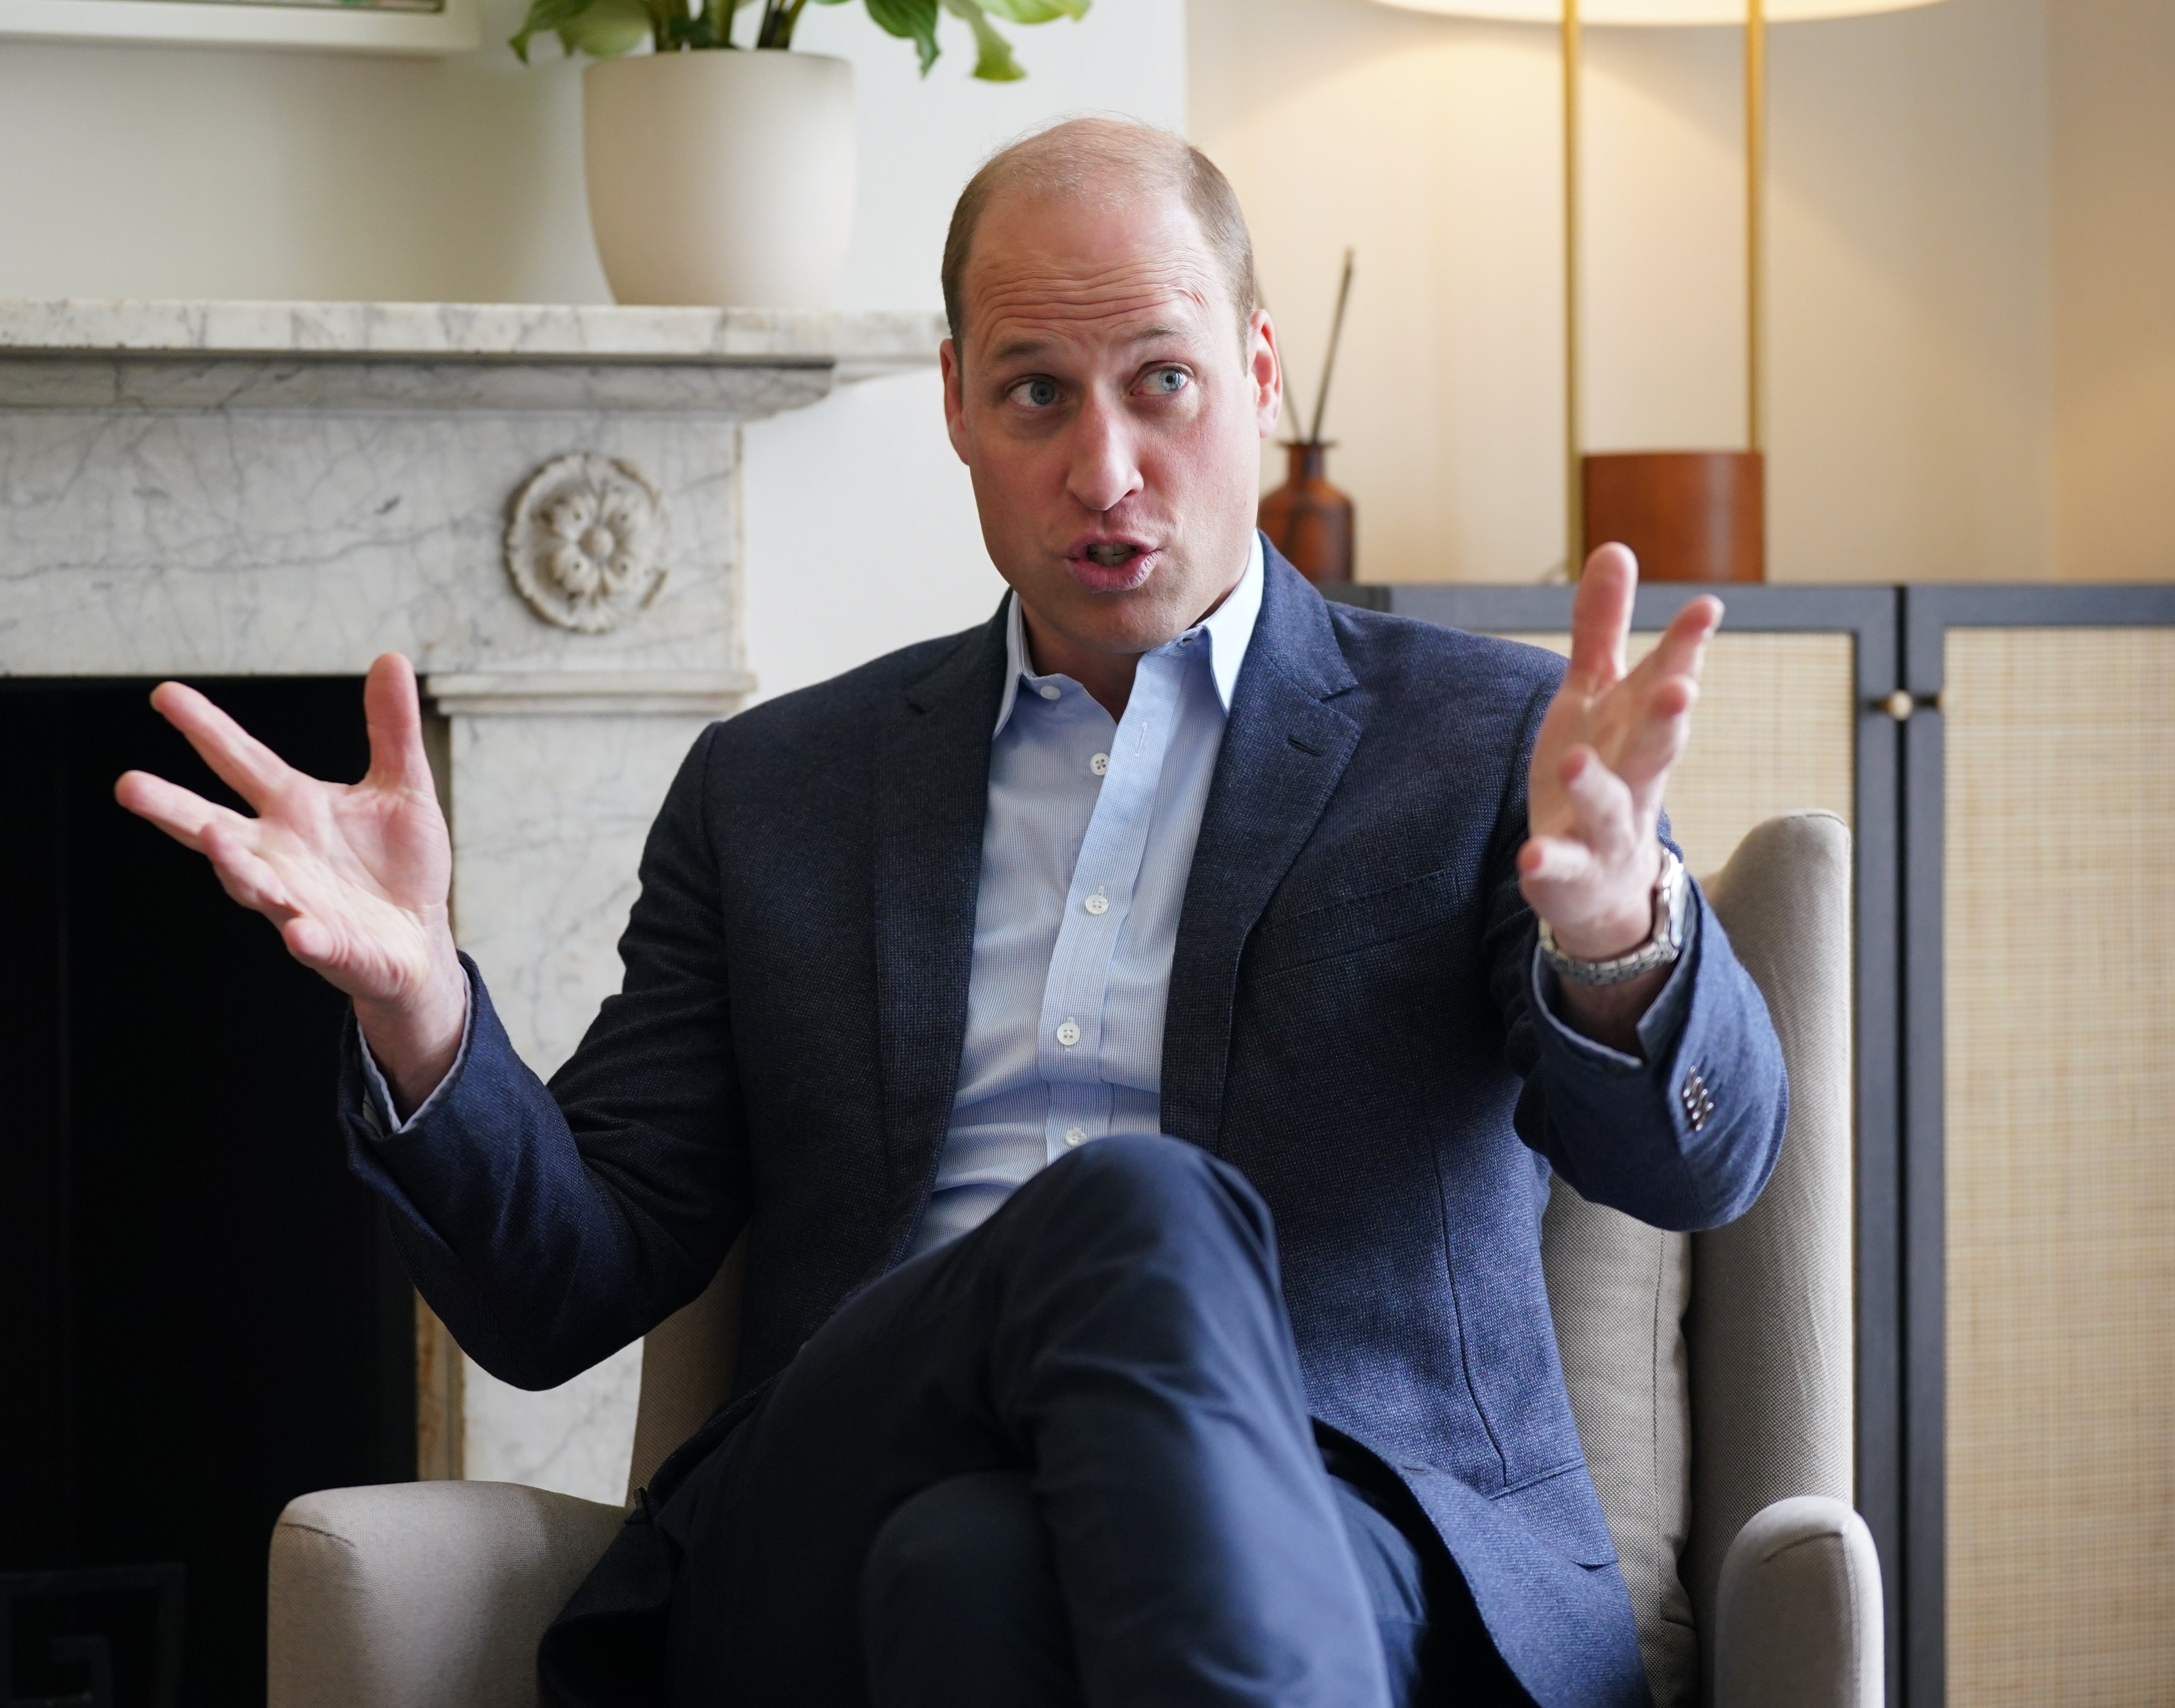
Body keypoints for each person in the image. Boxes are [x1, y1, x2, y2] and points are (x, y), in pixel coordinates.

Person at [117, 118, 1784, 1708]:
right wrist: (422, 1012)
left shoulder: (1483, 742)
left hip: (1350, 1517)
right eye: (1038, 393)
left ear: (1260, 377)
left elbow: (1693, 1163)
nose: (1106, 466)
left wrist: (1616, 930)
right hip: (829, 1490)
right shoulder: (775, 790)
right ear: (956, 408)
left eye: (1165, 383)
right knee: (1129, 1219)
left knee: (980, 1576)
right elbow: (561, 1293)